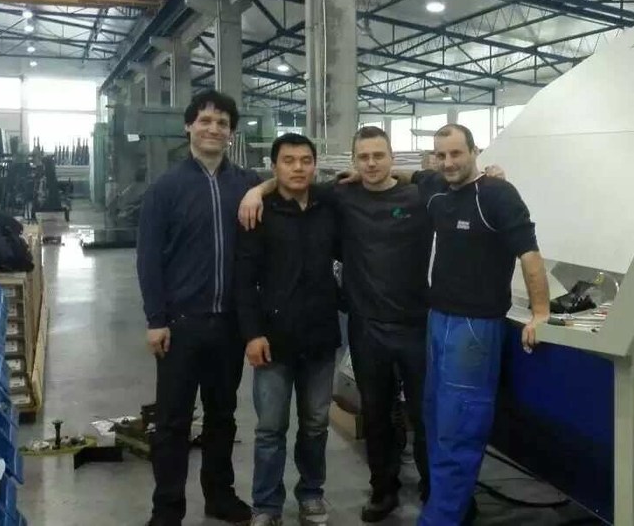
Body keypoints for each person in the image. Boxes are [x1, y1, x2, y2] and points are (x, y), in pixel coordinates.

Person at [238, 126, 433, 522]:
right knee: (363, 416)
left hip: (391, 328)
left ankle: (434, 489)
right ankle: (375, 490)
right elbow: (244, 277)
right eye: (364, 157)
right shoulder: (322, 200)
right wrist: (256, 190)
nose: (371, 163)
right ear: (353, 162)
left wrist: (489, 176)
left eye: (379, 155)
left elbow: (448, 181)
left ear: (392, 157)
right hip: (330, 332)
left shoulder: (408, 197)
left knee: (419, 415)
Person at [413, 123, 551, 526]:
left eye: (457, 153)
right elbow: (407, 176)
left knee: (459, 428)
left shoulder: (497, 194)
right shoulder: (435, 188)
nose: (448, 162)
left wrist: (541, 312)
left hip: (474, 330)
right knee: (435, 419)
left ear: (475, 152)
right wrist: (358, 174)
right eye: (441, 155)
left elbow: (529, 255)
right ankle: (449, 509)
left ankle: (440, 520)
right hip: (438, 320)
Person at [136, 90, 258, 526]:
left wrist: (260, 188)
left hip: (228, 326)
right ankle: (167, 508)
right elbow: (148, 258)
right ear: (189, 126)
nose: (213, 129)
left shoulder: (244, 184)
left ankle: (219, 495)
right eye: (205, 120)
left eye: (222, 123)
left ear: (231, 133)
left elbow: (286, 183)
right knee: (173, 421)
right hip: (181, 325)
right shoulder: (165, 189)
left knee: (222, 417)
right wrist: (156, 319)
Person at [234, 133, 342, 526]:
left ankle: (311, 493)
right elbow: (243, 281)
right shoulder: (258, 212)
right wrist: (252, 334)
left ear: (315, 165)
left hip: (320, 337)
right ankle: (266, 504)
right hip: (272, 340)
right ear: (274, 166)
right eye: (288, 160)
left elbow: (372, 177)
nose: (298, 168)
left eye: (305, 160)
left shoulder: (329, 205)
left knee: (315, 425)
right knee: (270, 429)